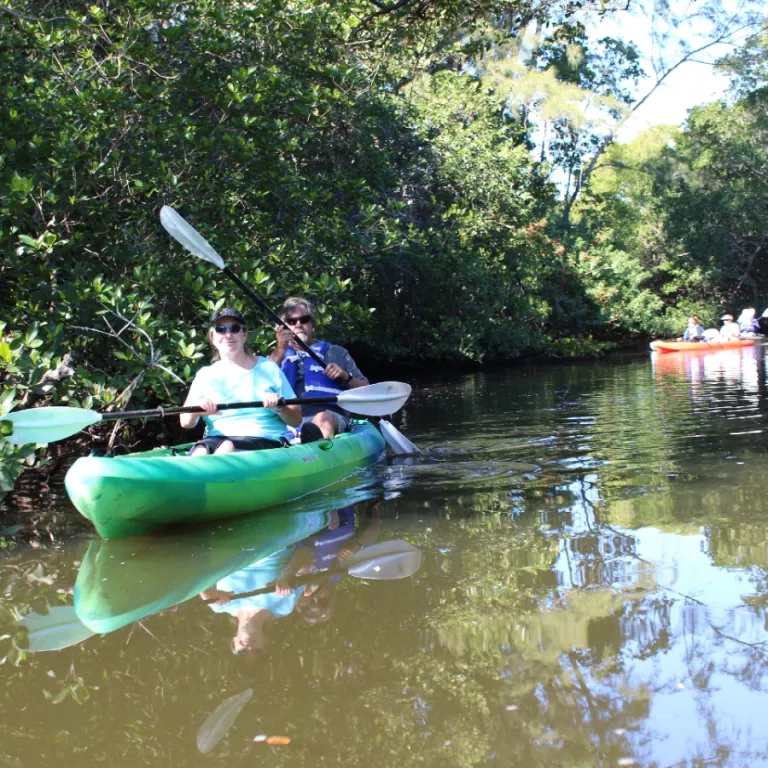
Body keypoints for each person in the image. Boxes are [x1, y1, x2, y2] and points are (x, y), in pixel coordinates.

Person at [180, 308, 301, 455]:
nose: (228, 335)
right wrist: (197, 411)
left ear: (244, 334)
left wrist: (279, 408)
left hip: (264, 442)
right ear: (212, 338)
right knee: (202, 450)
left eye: (235, 328)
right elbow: (185, 421)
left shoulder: (269, 368)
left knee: (226, 448)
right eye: (221, 330)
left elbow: (296, 419)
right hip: (215, 441)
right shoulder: (205, 375)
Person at [269, 297, 368, 443]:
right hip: (289, 418)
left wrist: (345, 377)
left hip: (329, 414)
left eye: (304, 320)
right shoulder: (276, 356)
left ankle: (316, 449)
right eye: (291, 322)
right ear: (283, 329)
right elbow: (260, 379)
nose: (298, 325)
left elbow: (366, 388)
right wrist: (280, 348)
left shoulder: (337, 353)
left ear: (312, 324)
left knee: (323, 418)